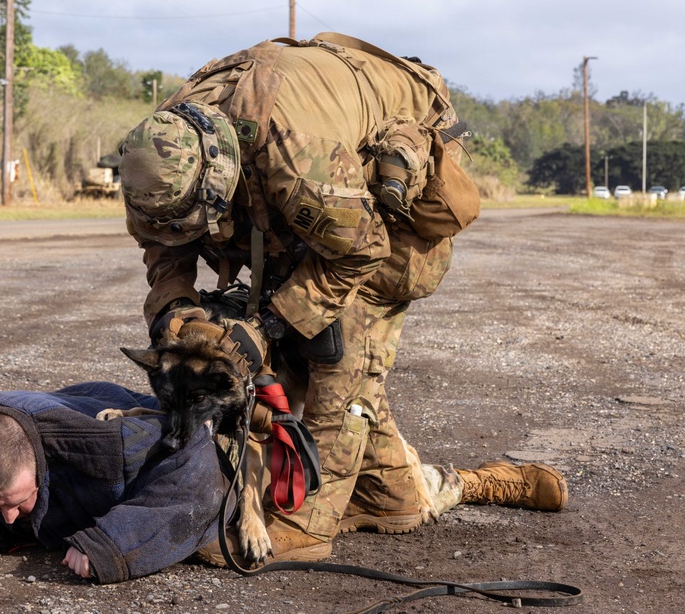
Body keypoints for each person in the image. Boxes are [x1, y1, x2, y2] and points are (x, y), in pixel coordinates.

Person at [117, 32, 566, 564]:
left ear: (218, 177)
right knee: (389, 494)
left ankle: (307, 522)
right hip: (317, 210)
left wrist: (266, 327)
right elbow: (161, 240)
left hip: (386, 220)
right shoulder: (158, 152)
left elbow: (363, 251)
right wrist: (174, 307)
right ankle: (409, 492)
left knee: (340, 342)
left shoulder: (297, 155)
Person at [0, 381, 227, 583]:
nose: (9, 519)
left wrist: (113, 543)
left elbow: (194, 452)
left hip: (96, 404)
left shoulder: (108, 445)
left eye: (19, 501)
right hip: (11, 404)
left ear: (39, 468)